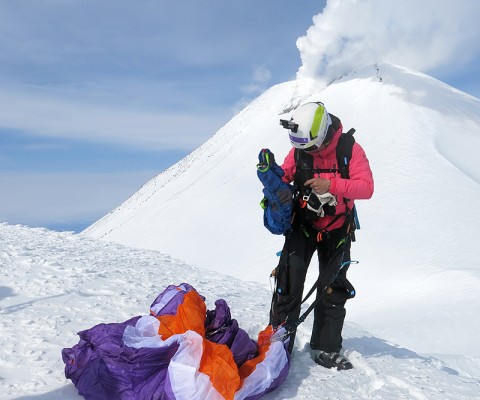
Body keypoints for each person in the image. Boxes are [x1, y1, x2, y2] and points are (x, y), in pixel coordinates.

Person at [270, 101, 374, 370]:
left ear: (325, 132)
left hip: (338, 229)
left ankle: (325, 348)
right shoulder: (301, 150)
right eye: (303, 148)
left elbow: (366, 188)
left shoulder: (349, 149)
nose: (308, 152)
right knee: (289, 280)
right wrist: (273, 180)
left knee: (332, 287)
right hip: (303, 225)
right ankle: (279, 343)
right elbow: (285, 176)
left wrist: (332, 185)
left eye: (312, 147)